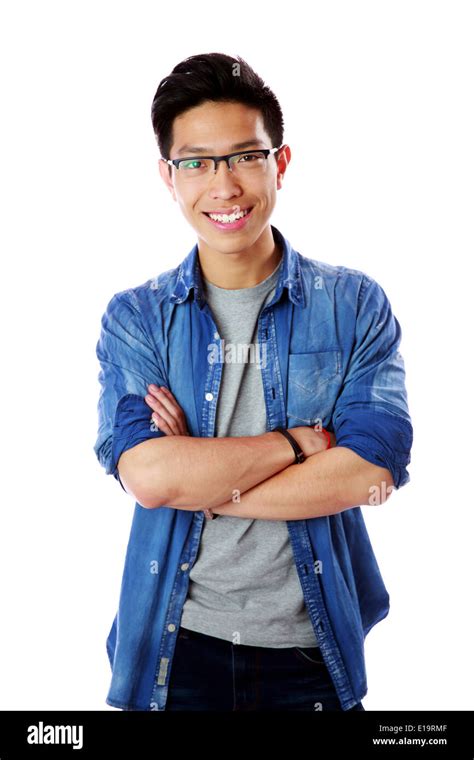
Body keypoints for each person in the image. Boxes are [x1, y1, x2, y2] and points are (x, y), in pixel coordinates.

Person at [93, 52, 413, 712]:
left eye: (244, 156)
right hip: (173, 646)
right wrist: (296, 445)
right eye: (197, 162)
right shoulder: (138, 317)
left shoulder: (352, 305)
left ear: (280, 163)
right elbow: (147, 476)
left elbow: (372, 470)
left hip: (309, 649)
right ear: (168, 177)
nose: (224, 185)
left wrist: (199, 484)